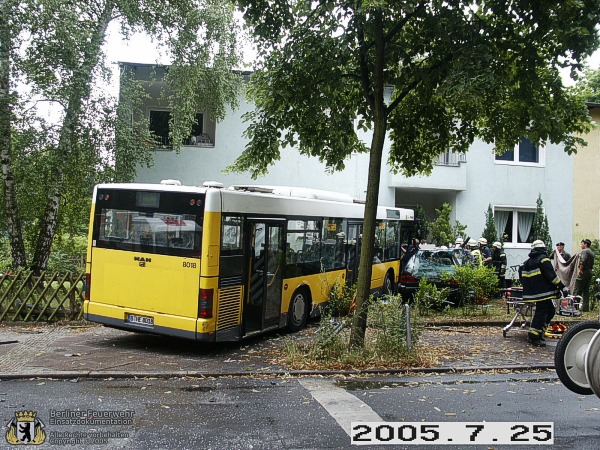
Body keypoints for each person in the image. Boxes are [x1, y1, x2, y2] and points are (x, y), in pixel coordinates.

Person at [519, 240, 566, 347]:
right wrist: (562, 287)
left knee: (550, 311)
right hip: (543, 293)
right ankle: (534, 336)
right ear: (543, 249)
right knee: (542, 312)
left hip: (534, 293)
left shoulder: (528, 262)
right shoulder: (543, 259)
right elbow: (551, 276)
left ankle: (540, 332)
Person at [574, 238, 595, 312]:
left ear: (585, 244)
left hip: (584, 271)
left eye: (582, 244)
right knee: (586, 290)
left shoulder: (585, 251)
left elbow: (583, 261)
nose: (581, 245)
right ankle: (585, 308)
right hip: (589, 271)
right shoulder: (591, 252)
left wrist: (581, 270)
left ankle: (575, 306)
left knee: (577, 289)